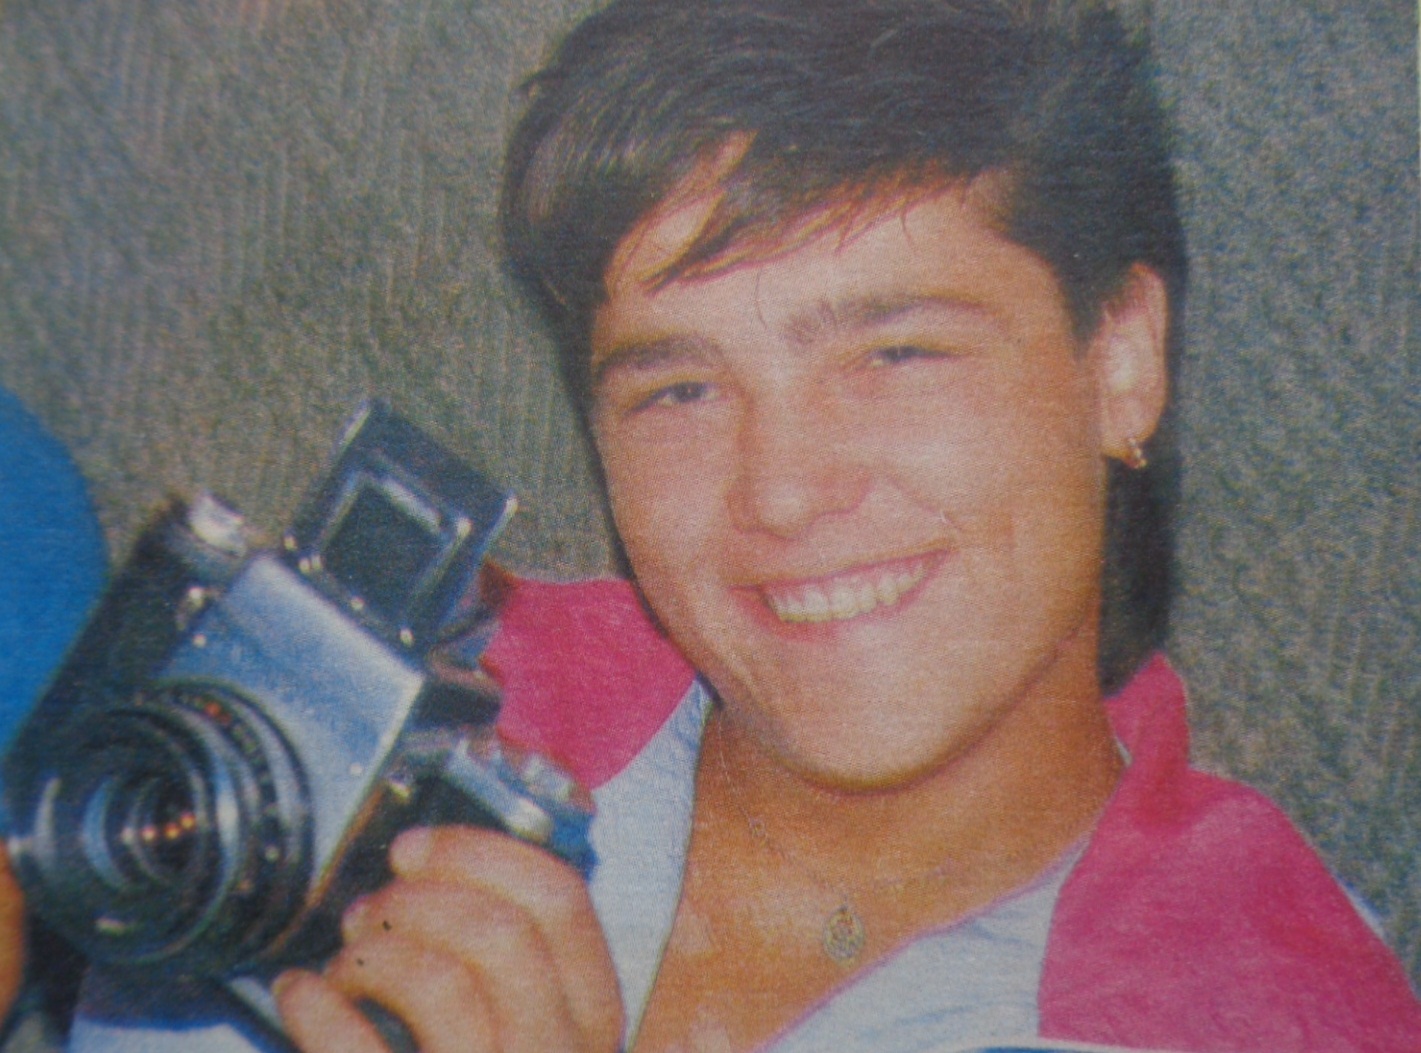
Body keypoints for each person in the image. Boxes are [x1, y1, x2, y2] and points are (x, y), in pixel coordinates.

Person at [9, 1, 1421, 1051]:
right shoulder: (375, 700)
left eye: (896, 354)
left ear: (1120, 358)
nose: (783, 492)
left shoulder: (1257, 1005)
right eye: (678, 388)